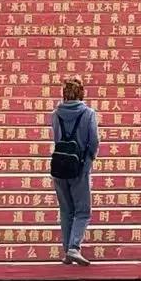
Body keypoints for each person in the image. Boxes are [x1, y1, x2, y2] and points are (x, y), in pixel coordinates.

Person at [50, 76, 100, 266]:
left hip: (59, 166)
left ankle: (67, 250)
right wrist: (89, 160)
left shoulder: (55, 114)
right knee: (83, 211)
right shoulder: (88, 113)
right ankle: (74, 248)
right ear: (81, 92)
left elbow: (56, 138)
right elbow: (93, 141)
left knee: (66, 210)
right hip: (79, 166)